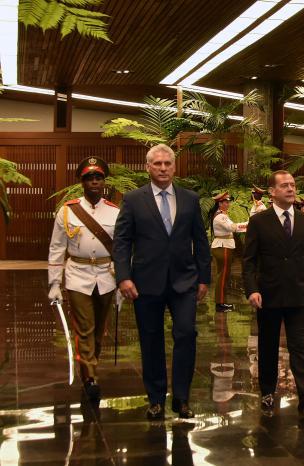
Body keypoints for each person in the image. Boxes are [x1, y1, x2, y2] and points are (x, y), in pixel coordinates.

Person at [113, 144, 211, 420]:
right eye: (157, 164)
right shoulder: (133, 199)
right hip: (146, 282)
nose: (163, 168)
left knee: (186, 334)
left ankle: (182, 398)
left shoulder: (190, 199)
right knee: (150, 338)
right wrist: (123, 276)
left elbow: (200, 240)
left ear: (174, 167)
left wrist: (204, 277)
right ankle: (155, 399)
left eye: (168, 163)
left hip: (184, 281)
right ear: (148, 167)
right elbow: (122, 241)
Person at [242, 170, 304, 416]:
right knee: (268, 345)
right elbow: (249, 261)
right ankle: (267, 391)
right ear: (272, 192)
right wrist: (252, 290)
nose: (290, 189)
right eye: (284, 185)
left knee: (298, 345)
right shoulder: (259, 221)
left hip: (298, 292)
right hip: (269, 294)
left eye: (293, 185)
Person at [48, 156, 119, 401]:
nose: (94, 182)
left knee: (99, 329)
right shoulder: (67, 211)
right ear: (82, 182)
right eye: (89, 178)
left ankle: (91, 365)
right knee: (85, 327)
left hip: (106, 275)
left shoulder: (115, 211)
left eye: (98, 177)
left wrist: (122, 279)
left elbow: (121, 248)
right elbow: (57, 247)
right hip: (78, 274)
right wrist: (54, 283)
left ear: (104, 181)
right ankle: (90, 377)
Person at [209, 192, 247, 312]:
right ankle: (220, 304)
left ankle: (221, 302)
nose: (228, 204)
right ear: (220, 204)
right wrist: (249, 224)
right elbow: (232, 227)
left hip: (224, 246)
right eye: (225, 202)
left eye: (228, 202)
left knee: (223, 275)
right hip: (223, 247)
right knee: (223, 275)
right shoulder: (221, 216)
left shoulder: (222, 215)